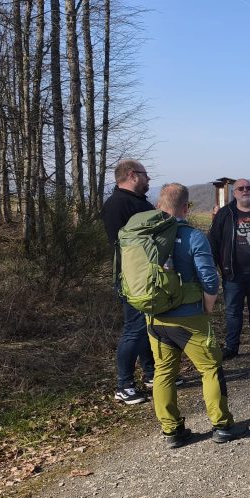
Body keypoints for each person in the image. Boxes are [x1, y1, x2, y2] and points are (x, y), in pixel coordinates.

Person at [146, 184, 247, 447]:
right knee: (210, 367)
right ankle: (222, 426)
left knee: (163, 372)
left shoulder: (145, 235)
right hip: (189, 318)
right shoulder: (193, 237)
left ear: (159, 206)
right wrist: (207, 308)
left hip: (154, 317)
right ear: (186, 208)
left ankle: (172, 432)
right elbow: (210, 280)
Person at [101, 159, 155, 405]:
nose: (148, 179)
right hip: (132, 278)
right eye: (145, 174)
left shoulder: (139, 202)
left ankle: (151, 373)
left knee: (146, 326)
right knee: (134, 328)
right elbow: (123, 244)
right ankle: (124, 385)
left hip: (147, 276)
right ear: (132, 175)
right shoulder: (117, 204)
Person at [208, 178, 250, 360]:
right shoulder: (225, 214)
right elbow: (213, 241)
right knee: (232, 312)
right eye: (240, 188)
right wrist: (213, 266)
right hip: (233, 274)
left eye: (248, 188)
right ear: (234, 193)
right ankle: (231, 347)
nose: (245, 190)